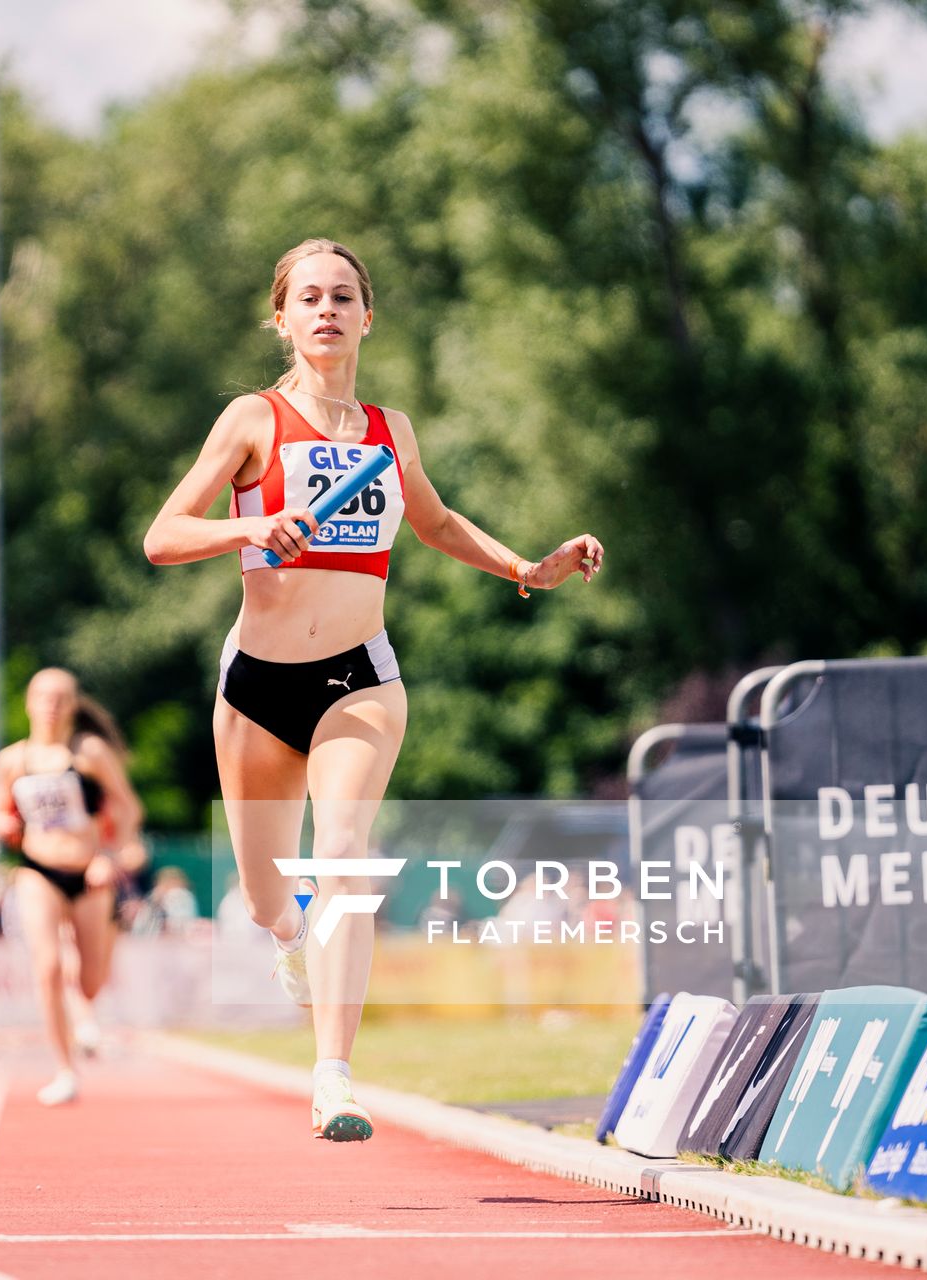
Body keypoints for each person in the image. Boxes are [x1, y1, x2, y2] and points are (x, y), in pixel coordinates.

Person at [143, 238, 603, 1141]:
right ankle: (289, 936)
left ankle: (334, 1078)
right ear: (281, 319)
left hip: (359, 679)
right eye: (308, 297)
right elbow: (162, 535)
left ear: (366, 315)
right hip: (257, 691)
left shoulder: (393, 434)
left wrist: (525, 567)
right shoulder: (253, 420)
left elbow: (432, 522)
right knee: (272, 896)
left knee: (345, 853)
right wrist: (254, 529)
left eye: (342, 296)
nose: (326, 310)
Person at [0, 668, 143, 1106]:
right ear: (29, 702)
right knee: (48, 966)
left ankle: (85, 1006)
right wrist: (2, 823)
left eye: (61, 698)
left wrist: (111, 857)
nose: (51, 705)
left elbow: (128, 808)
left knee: (91, 982)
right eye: (44, 696)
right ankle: (63, 1069)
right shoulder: (13, 760)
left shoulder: (89, 753)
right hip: (38, 869)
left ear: (73, 705)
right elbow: (2, 811)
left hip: (90, 872)